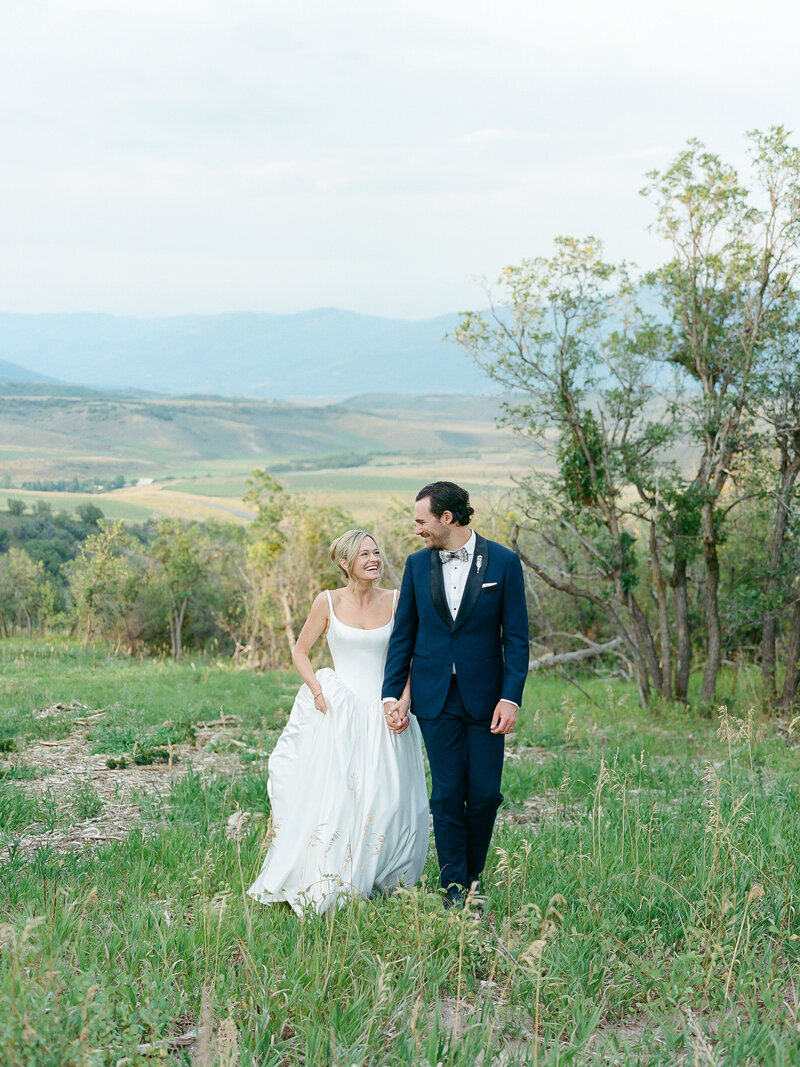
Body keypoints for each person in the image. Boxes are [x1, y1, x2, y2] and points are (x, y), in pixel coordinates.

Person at [248, 529, 429, 915]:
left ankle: (388, 877)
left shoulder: (398, 600)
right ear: (345, 563)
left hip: (387, 708)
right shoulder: (326, 602)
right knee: (342, 795)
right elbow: (300, 651)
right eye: (364, 554)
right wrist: (317, 690)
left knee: (392, 795)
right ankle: (336, 874)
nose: (374, 559)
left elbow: (411, 657)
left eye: (377, 552)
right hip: (342, 710)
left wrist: (404, 701)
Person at [382, 482, 529, 907]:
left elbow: (516, 638)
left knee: (484, 794)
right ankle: (454, 890)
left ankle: (473, 876)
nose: (417, 530)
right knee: (446, 793)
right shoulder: (415, 566)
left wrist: (510, 696)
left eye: (421, 521)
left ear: (447, 518)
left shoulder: (503, 562)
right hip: (434, 697)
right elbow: (403, 635)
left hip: (487, 699)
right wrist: (392, 695)